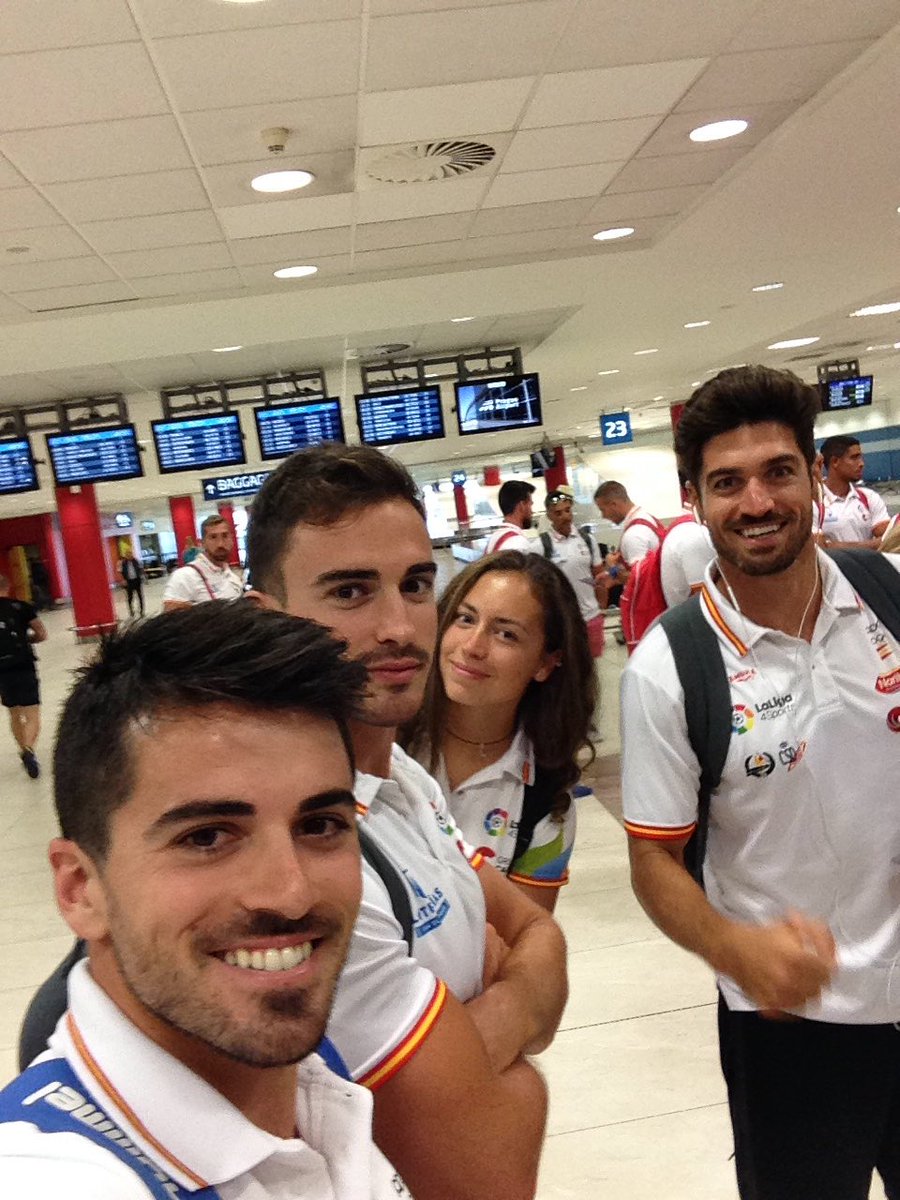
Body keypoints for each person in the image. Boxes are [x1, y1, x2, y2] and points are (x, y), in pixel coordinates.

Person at [0, 602, 410, 1198]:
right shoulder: (50, 1175)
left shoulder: (310, 1079)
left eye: (320, 825)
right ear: (80, 888)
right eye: (207, 837)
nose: (290, 894)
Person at [247, 443, 566, 1200]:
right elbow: (488, 1165)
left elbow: (539, 933)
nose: (399, 626)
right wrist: (511, 1046)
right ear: (268, 619)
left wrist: (482, 1032)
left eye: (417, 584)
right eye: (351, 592)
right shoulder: (295, 860)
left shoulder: (406, 778)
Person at [620, 364, 900, 1200]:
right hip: (791, 1026)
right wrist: (735, 948)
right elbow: (653, 864)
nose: (757, 502)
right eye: (727, 483)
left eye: (779, 471)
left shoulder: (888, 599)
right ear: (694, 500)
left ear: (814, 477)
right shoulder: (671, 667)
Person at [406, 550, 596, 912]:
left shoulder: (546, 801)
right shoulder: (384, 740)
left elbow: (525, 940)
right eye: (465, 619)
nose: (473, 647)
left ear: (545, 662)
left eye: (506, 634)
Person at [537, 487, 606, 658]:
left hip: (591, 618)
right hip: (562, 622)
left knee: (593, 669)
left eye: (567, 510)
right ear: (549, 516)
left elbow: (600, 578)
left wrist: (601, 610)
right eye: (558, 513)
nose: (565, 517)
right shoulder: (540, 546)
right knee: (568, 673)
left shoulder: (588, 540)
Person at [0, 572, 47, 778]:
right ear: (7, 586)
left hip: (2, 669)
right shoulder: (22, 607)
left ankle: (23, 750)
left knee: (14, 712)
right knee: (32, 713)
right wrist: (30, 640)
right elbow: (41, 633)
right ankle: (28, 749)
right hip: (23, 664)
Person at [819, 433, 891, 548]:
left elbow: (889, 539)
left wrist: (835, 545)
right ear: (835, 462)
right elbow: (818, 548)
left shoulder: (869, 497)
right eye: (854, 457)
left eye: (860, 457)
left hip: (868, 566)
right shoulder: (815, 502)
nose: (861, 463)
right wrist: (873, 544)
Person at [163, 515, 244, 610]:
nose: (220, 543)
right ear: (202, 543)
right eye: (213, 537)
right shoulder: (184, 576)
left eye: (225, 536)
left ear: (232, 540)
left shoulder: (231, 576)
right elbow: (171, 618)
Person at [593, 480, 664, 586]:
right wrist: (611, 576)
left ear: (614, 505)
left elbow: (641, 580)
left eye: (603, 510)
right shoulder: (646, 517)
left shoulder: (634, 534)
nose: (603, 516)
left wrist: (613, 567)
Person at [483, 479, 535, 554]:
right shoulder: (517, 542)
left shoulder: (494, 537)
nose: (531, 512)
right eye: (530, 505)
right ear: (522, 505)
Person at [118, 545, 145, 618]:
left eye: (130, 553)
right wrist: (123, 580)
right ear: (126, 555)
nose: (129, 555)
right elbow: (120, 572)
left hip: (137, 580)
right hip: (129, 581)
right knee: (130, 598)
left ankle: (142, 611)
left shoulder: (136, 561)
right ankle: (131, 611)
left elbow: (141, 569)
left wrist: (142, 577)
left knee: (140, 596)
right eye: (128, 554)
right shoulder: (123, 563)